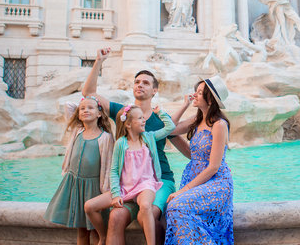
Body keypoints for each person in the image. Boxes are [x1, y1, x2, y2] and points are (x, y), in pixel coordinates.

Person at [82, 48, 190, 245]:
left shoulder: (160, 120)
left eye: (146, 83)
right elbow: (89, 93)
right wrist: (99, 61)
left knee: (145, 215)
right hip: (128, 184)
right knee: (115, 217)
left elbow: (186, 150)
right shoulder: (122, 113)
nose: (140, 85)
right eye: (137, 82)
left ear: (154, 91)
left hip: (158, 181)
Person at [84, 105, 175, 245]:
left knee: (145, 206)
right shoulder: (120, 144)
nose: (144, 120)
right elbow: (114, 171)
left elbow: (170, 127)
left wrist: (160, 112)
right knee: (89, 206)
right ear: (128, 124)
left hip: (146, 185)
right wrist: (116, 194)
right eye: (140, 118)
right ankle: (102, 236)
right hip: (125, 188)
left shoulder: (148, 138)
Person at [164, 75, 234, 244]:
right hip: (194, 178)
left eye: (200, 93)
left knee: (176, 206)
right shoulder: (197, 120)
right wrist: (184, 105)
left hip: (216, 182)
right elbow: (169, 129)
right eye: (196, 91)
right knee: (173, 208)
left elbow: (213, 167)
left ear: (211, 100)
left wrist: (183, 191)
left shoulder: (219, 124)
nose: (195, 95)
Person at [44, 96, 114, 245]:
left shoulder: (105, 138)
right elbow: (68, 105)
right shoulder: (77, 130)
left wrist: (106, 190)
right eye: (82, 109)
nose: (85, 110)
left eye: (90, 108)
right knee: (81, 231)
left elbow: (108, 167)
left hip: (93, 188)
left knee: (95, 230)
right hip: (75, 185)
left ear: (99, 113)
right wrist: (88, 102)